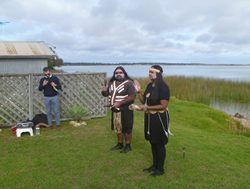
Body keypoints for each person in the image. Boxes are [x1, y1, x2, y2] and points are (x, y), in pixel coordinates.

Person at [136, 65, 170, 176]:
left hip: (159, 118)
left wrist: (146, 108)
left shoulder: (163, 87)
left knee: (159, 143)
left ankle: (160, 169)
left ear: (158, 73)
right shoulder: (150, 86)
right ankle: (154, 166)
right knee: (152, 142)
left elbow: (163, 106)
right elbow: (143, 101)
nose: (149, 73)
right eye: (149, 71)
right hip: (150, 117)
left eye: (152, 72)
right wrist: (139, 92)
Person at [101, 66, 136, 153]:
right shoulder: (112, 83)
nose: (118, 74)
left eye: (120, 72)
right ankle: (120, 144)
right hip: (115, 110)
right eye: (116, 73)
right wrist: (104, 91)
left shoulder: (129, 83)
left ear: (124, 73)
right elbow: (106, 94)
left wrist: (120, 103)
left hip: (126, 110)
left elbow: (132, 97)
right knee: (118, 128)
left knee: (127, 128)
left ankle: (128, 145)